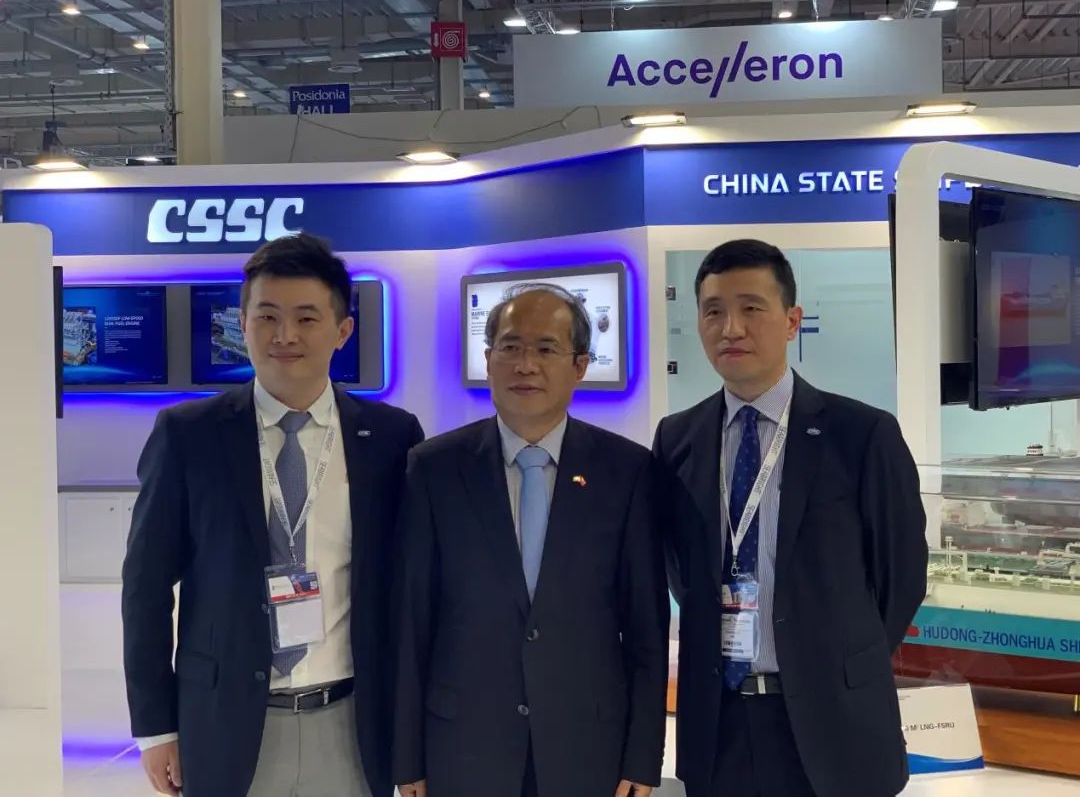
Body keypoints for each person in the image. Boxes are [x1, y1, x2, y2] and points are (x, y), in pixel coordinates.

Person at [122, 233, 424, 797]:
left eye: (307, 318)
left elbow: (412, 592)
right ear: (242, 323)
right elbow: (145, 588)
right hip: (226, 722)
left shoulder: (391, 438)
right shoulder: (189, 436)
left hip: (354, 722)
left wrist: (414, 736)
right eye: (267, 316)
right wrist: (156, 727)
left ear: (342, 330)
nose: (285, 335)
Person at [653, 240, 928, 797]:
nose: (731, 328)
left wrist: (836, 660)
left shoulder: (861, 435)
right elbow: (680, 570)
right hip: (720, 727)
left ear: (791, 321)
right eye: (713, 311)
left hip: (835, 722)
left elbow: (900, 579)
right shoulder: (677, 438)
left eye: (751, 308)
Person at [393, 285, 669, 797]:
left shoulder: (626, 471)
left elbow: (646, 627)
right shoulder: (434, 468)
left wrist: (643, 756)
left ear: (580, 366)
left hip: (589, 750)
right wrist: (407, 758)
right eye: (511, 347)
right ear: (488, 359)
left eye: (546, 349)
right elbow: (412, 619)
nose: (526, 365)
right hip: (463, 746)